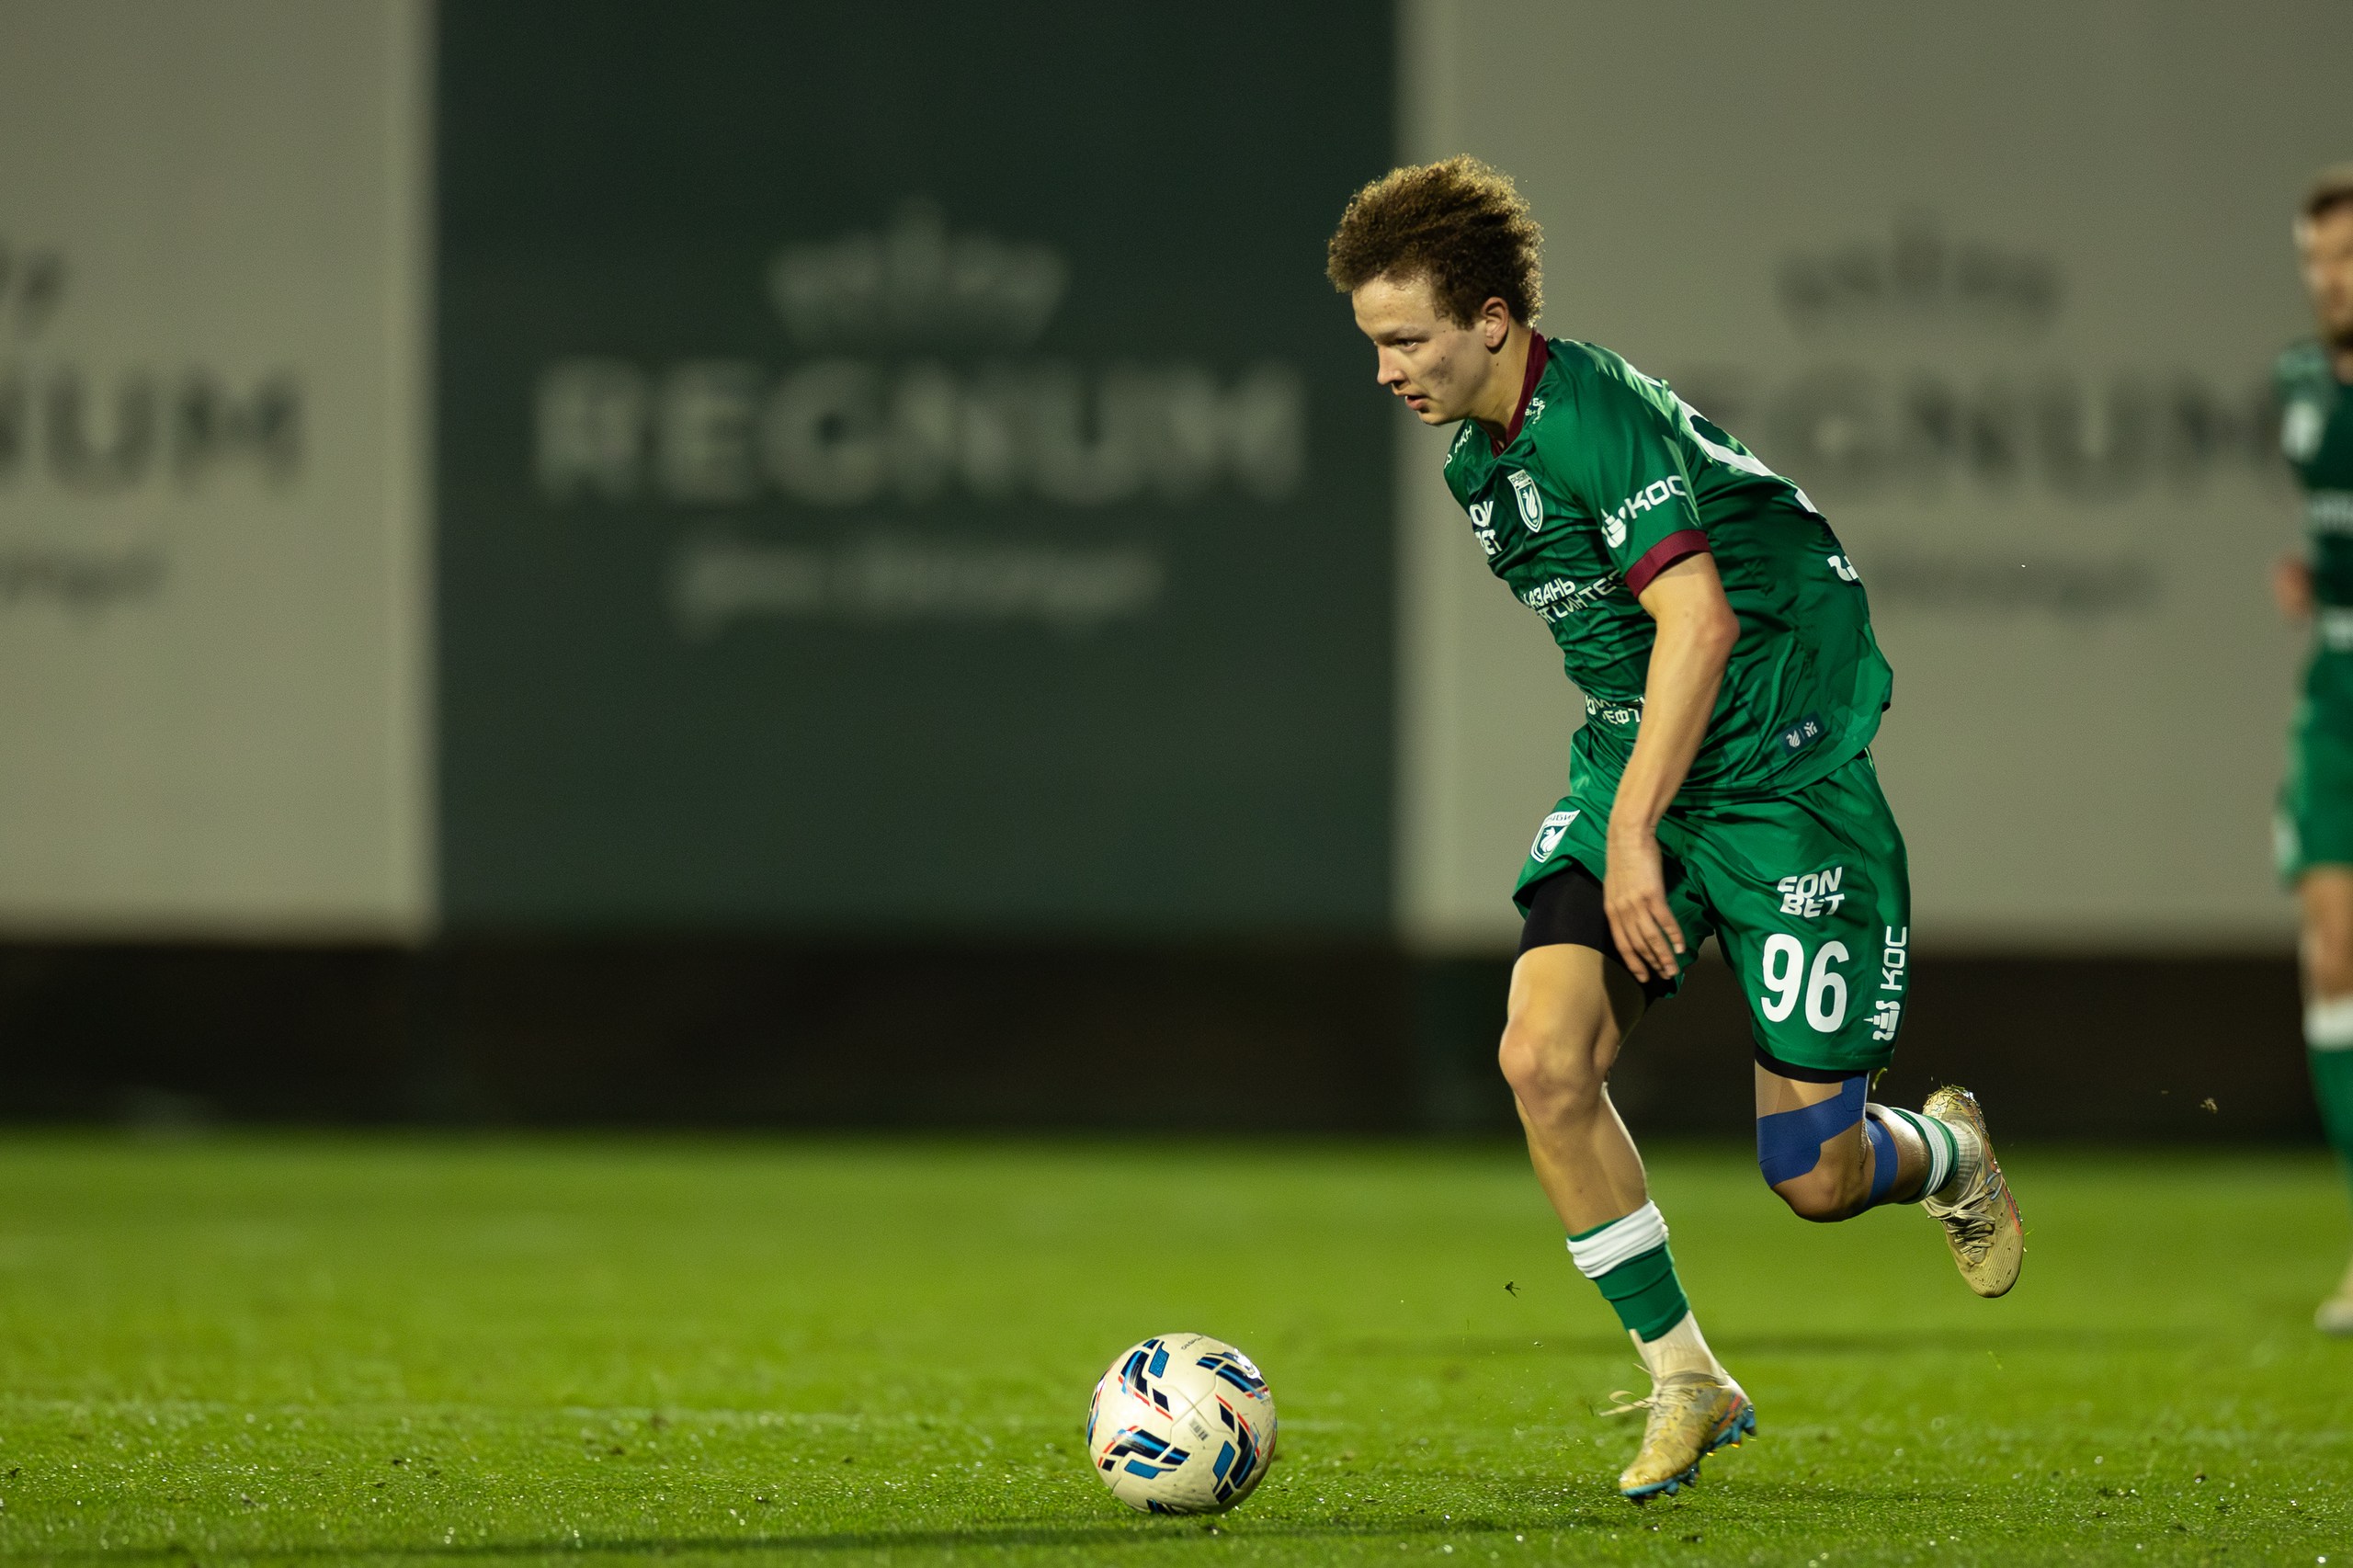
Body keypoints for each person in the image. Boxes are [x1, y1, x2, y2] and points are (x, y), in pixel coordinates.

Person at [1325, 158, 2023, 1502]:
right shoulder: (1478, 460)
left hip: (1779, 784)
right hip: (1638, 764)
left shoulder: (1597, 417)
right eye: (1374, 343)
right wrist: (1629, 809)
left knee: (1813, 1176)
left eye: (1406, 339)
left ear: (1490, 319)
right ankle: (1685, 1374)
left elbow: (1699, 621)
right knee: (1541, 1060)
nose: (1387, 370)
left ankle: (1947, 1150)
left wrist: (1637, 833)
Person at [2269, 163, 2353, 1336]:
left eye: (2347, 257)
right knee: (2332, 951)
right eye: (2317, 260)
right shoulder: (2297, 382)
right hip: (2338, 682)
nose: (2331, 279)